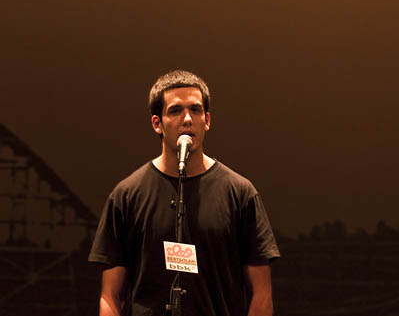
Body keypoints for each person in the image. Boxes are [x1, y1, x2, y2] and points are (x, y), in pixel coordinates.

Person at [89, 70, 280, 316]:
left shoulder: (241, 194)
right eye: (176, 111)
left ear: (207, 120)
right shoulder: (126, 196)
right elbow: (110, 297)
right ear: (157, 124)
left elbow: (262, 295)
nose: (187, 119)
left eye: (196, 110)